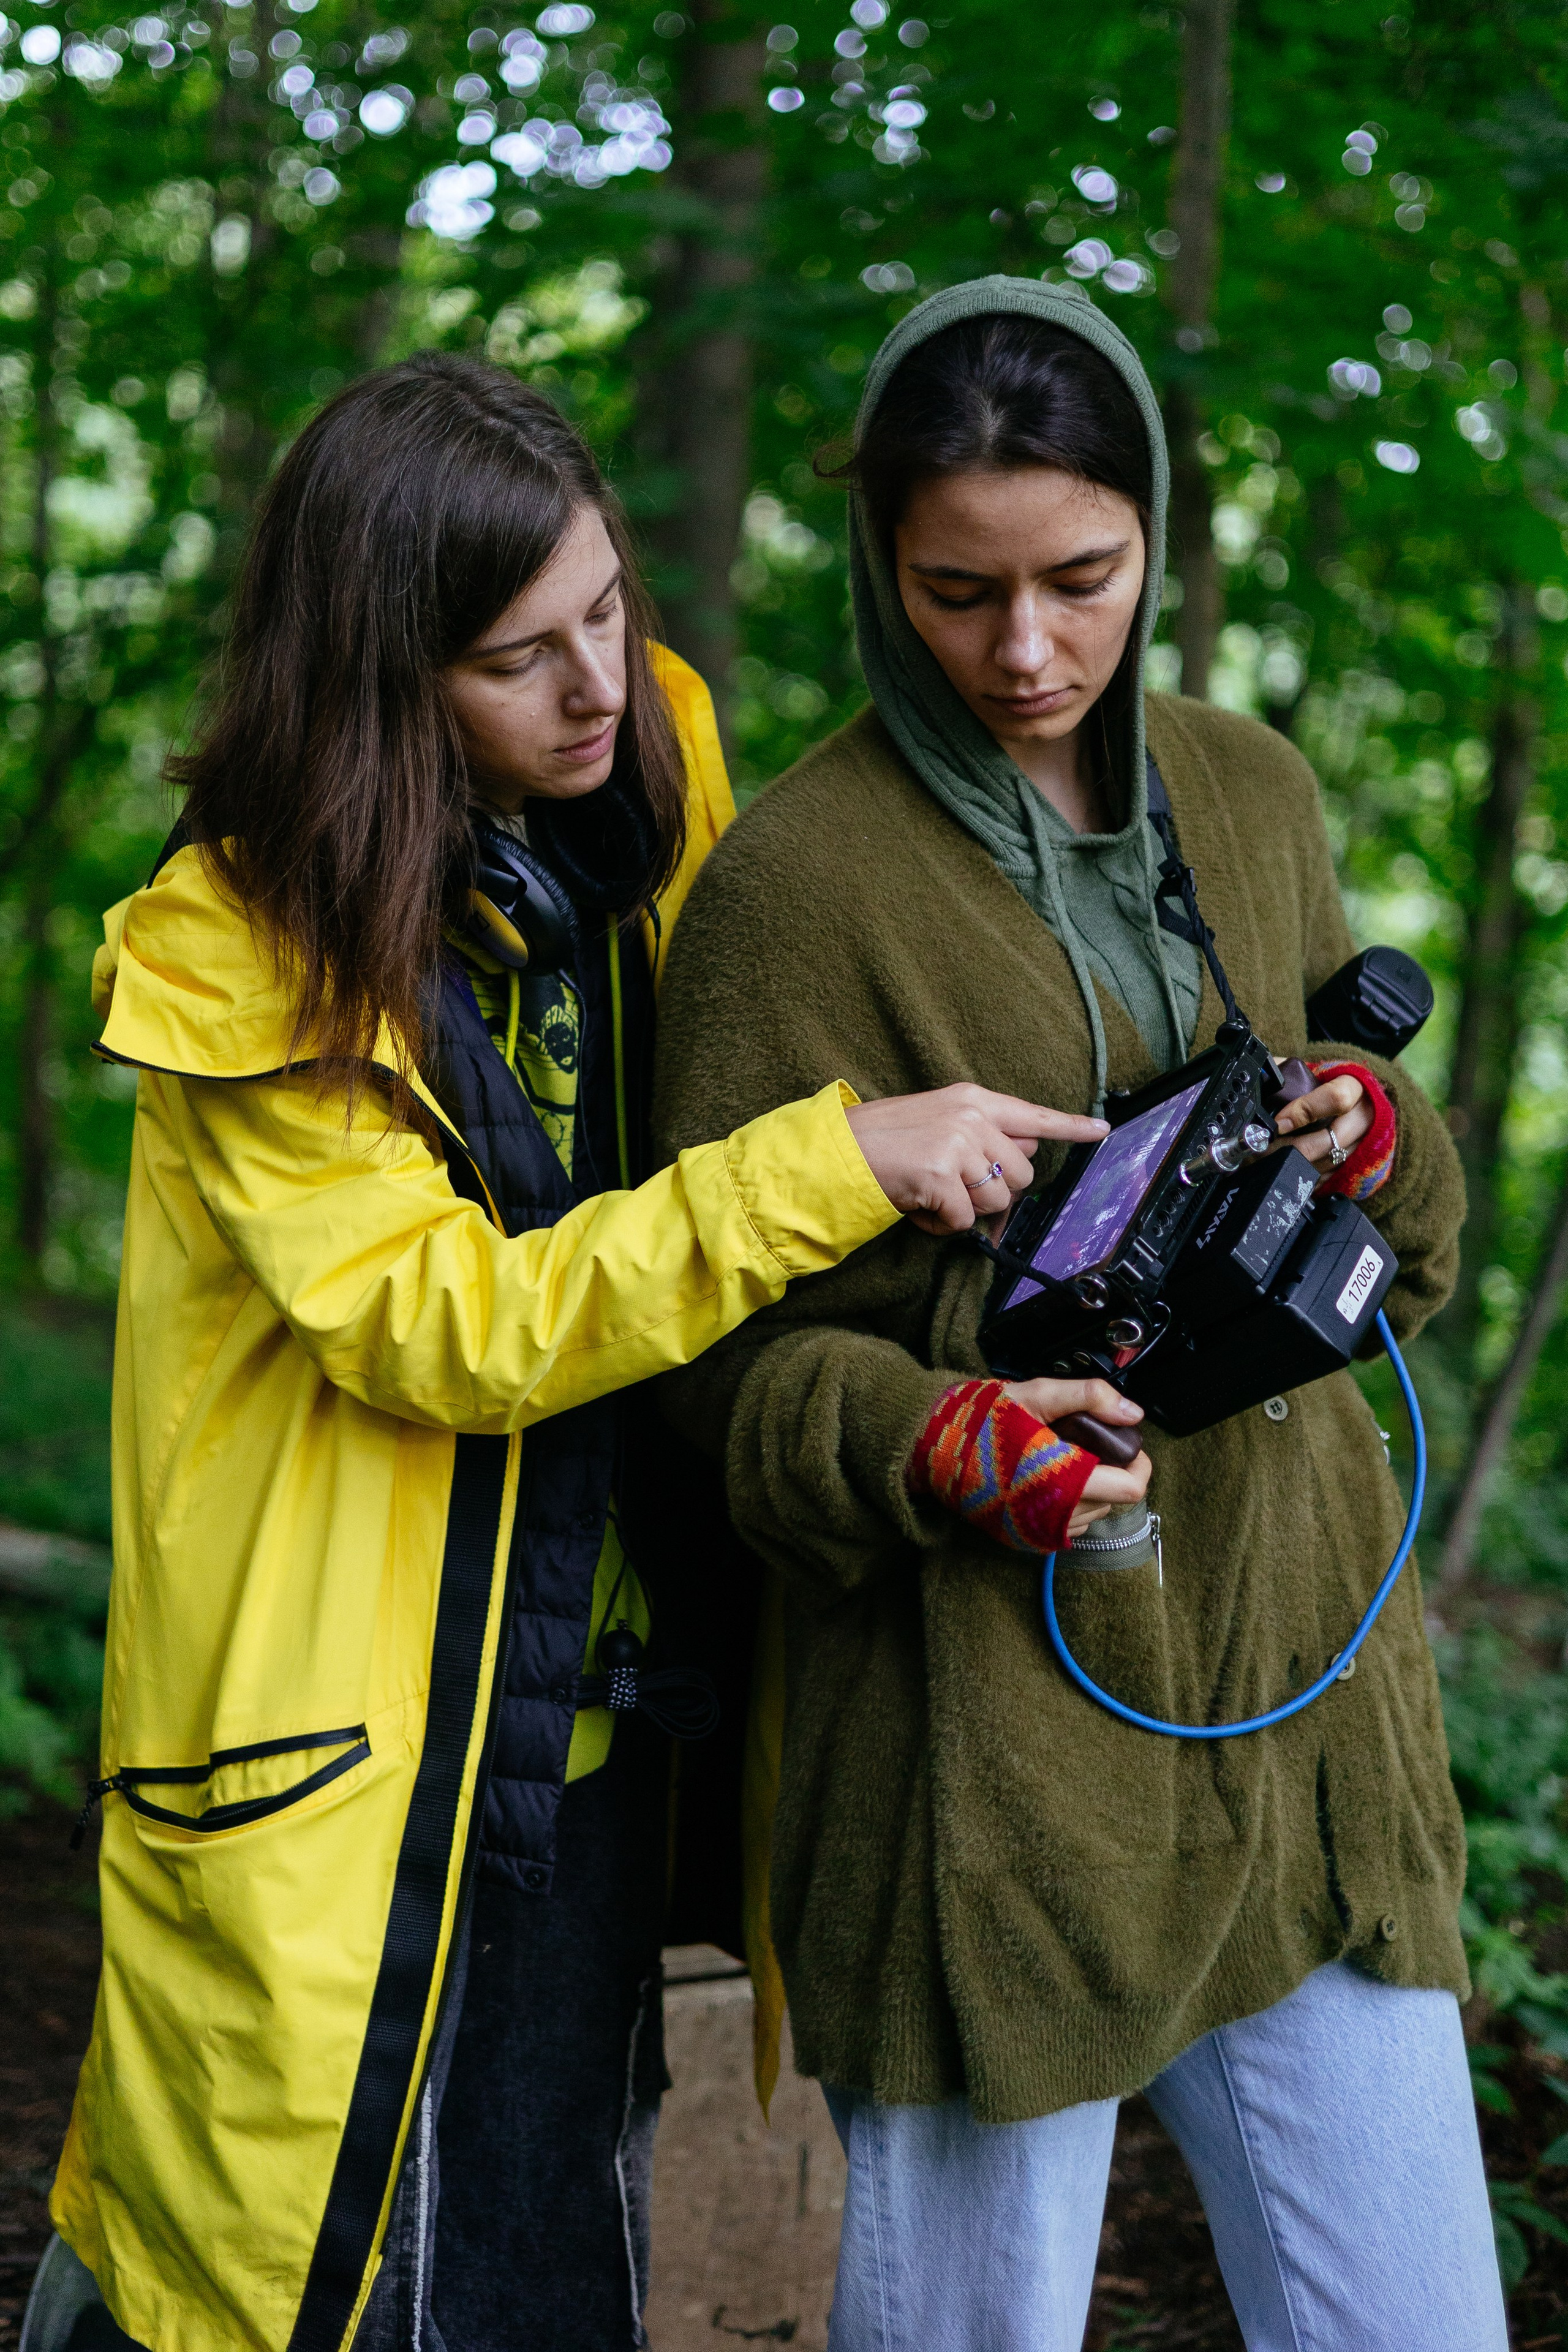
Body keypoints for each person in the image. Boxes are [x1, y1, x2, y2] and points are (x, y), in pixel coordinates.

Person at [24, 352, 1118, 2352]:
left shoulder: (647, 784)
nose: (599, 685)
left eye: (609, 609)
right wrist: (836, 1163)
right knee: (281, 2271)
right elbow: (450, 1324)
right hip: (352, 1770)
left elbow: (743, 1089)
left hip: (608, 1727)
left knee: (539, 2258)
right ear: (380, 679)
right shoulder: (228, 954)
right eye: (521, 655)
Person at [651, 280, 1504, 2351]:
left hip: (1309, 1719)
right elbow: (715, 1384)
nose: (1024, 650)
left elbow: (1426, 1243)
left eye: (1081, 579)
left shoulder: (1254, 792)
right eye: (956, 591)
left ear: (1153, 533)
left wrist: (1387, 1142)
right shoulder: (798, 890)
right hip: (989, 1771)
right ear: (877, 565)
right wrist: (935, 1438)